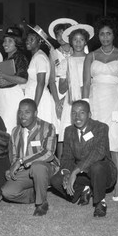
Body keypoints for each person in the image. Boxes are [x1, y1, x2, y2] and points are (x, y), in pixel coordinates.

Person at [82, 16, 118, 201]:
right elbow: (86, 83)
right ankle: (95, 185)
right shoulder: (91, 55)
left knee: (115, 144)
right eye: (102, 34)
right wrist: (85, 107)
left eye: (108, 33)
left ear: (113, 35)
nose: (105, 37)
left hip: (114, 101)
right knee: (93, 144)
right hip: (95, 101)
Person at [50, 100, 117, 218]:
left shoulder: (101, 127)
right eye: (74, 113)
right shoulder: (69, 131)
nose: (77, 117)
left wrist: (74, 172)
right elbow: (67, 156)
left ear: (89, 115)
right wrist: (66, 173)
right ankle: (83, 190)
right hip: (83, 174)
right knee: (56, 181)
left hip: (103, 172)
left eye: (82, 113)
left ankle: (100, 202)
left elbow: (99, 152)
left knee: (97, 167)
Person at [1, 99, 59, 216]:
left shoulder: (47, 127)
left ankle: (41, 203)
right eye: (20, 112)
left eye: (27, 112)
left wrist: (22, 161)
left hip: (47, 169)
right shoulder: (15, 131)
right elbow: (14, 155)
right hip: (25, 170)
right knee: (7, 192)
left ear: (35, 113)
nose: (22, 116)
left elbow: (48, 153)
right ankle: (36, 194)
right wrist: (13, 167)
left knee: (37, 166)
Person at [56, 23, 94, 157]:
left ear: (85, 41)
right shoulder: (66, 61)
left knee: (88, 133)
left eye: (81, 39)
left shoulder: (91, 59)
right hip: (70, 101)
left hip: (88, 99)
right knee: (65, 133)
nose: (78, 43)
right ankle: (62, 166)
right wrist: (68, 78)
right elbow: (61, 89)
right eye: (75, 40)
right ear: (71, 42)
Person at [47, 18, 77, 149]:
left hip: (75, 90)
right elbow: (52, 80)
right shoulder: (54, 53)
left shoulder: (78, 49)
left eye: (63, 33)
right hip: (59, 91)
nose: (60, 37)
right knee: (61, 130)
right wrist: (57, 101)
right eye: (57, 34)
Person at [0, 27, 29, 133]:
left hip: (11, 98)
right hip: (2, 98)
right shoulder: (7, 59)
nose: (5, 44)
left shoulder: (20, 57)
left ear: (17, 43)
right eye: (4, 41)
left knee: (9, 127)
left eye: (10, 41)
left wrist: (3, 75)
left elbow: (23, 79)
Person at [24, 27, 57, 129]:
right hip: (33, 95)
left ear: (39, 42)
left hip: (39, 98)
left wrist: (34, 106)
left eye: (32, 39)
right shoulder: (36, 56)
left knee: (40, 130)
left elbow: (41, 83)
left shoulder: (40, 58)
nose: (28, 42)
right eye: (27, 39)